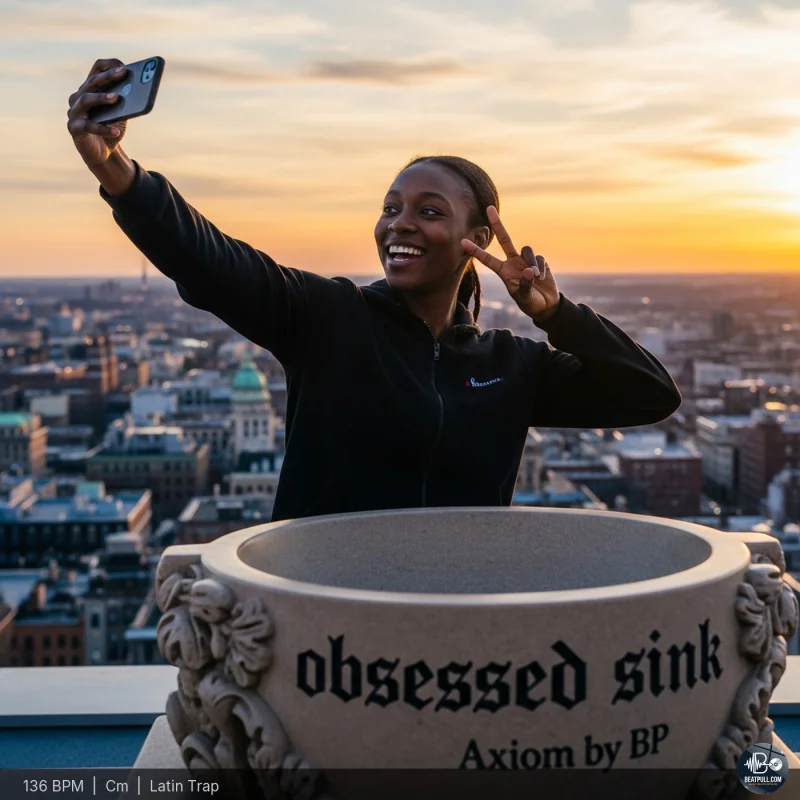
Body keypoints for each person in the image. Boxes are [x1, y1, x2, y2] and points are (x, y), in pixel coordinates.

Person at [67, 59, 682, 523]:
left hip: (456, 633)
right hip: (328, 635)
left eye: (429, 211)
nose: (399, 224)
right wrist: (116, 171)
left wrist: (559, 315)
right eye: (390, 208)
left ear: (478, 237)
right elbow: (210, 260)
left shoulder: (511, 367)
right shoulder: (328, 319)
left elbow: (648, 396)